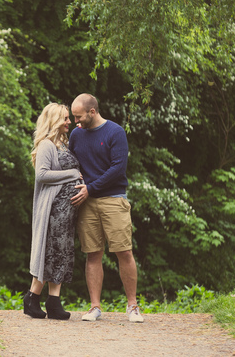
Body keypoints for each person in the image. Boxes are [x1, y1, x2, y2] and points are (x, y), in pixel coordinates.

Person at [69, 93, 144, 323]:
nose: (75, 122)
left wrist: (90, 188)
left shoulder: (115, 132)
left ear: (92, 112)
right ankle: (95, 307)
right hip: (86, 201)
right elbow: (72, 162)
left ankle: (132, 306)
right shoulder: (76, 135)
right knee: (93, 254)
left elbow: (117, 169)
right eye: (73, 117)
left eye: (79, 116)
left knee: (124, 251)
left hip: (113, 199)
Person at [24, 103, 82, 320]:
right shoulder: (47, 145)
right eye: (65, 118)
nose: (69, 122)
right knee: (50, 252)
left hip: (65, 212)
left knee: (61, 252)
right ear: (55, 120)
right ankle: (32, 298)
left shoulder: (64, 144)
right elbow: (42, 175)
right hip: (52, 210)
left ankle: (54, 302)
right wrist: (73, 174)